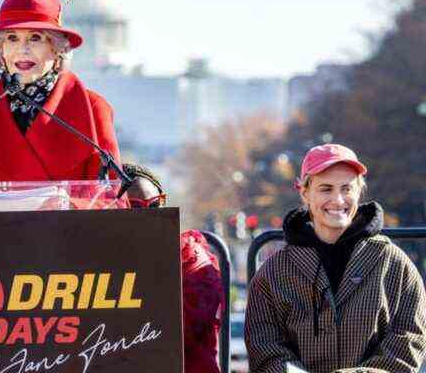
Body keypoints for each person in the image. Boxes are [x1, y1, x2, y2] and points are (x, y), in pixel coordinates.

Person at [245, 144, 426, 373]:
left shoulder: (396, 266)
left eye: (347, 189)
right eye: (326, 189)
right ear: (305, 193)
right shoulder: (273, 273)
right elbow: (265, 350)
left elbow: (407, 344)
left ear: (359, 191)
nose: (338, 200)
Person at [0, 0, 121, 182]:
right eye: (12, 38)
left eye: (35, 38)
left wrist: (66, 204)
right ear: (1, 49)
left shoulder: (93, 108)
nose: (23, 50)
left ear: (57, 49)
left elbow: (113, 195)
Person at [123, 163, 223, 373]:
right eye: (133, 206)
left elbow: (171, 334)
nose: (146, 216)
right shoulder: (92, 260)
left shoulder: (191, 258)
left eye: (154, 205)